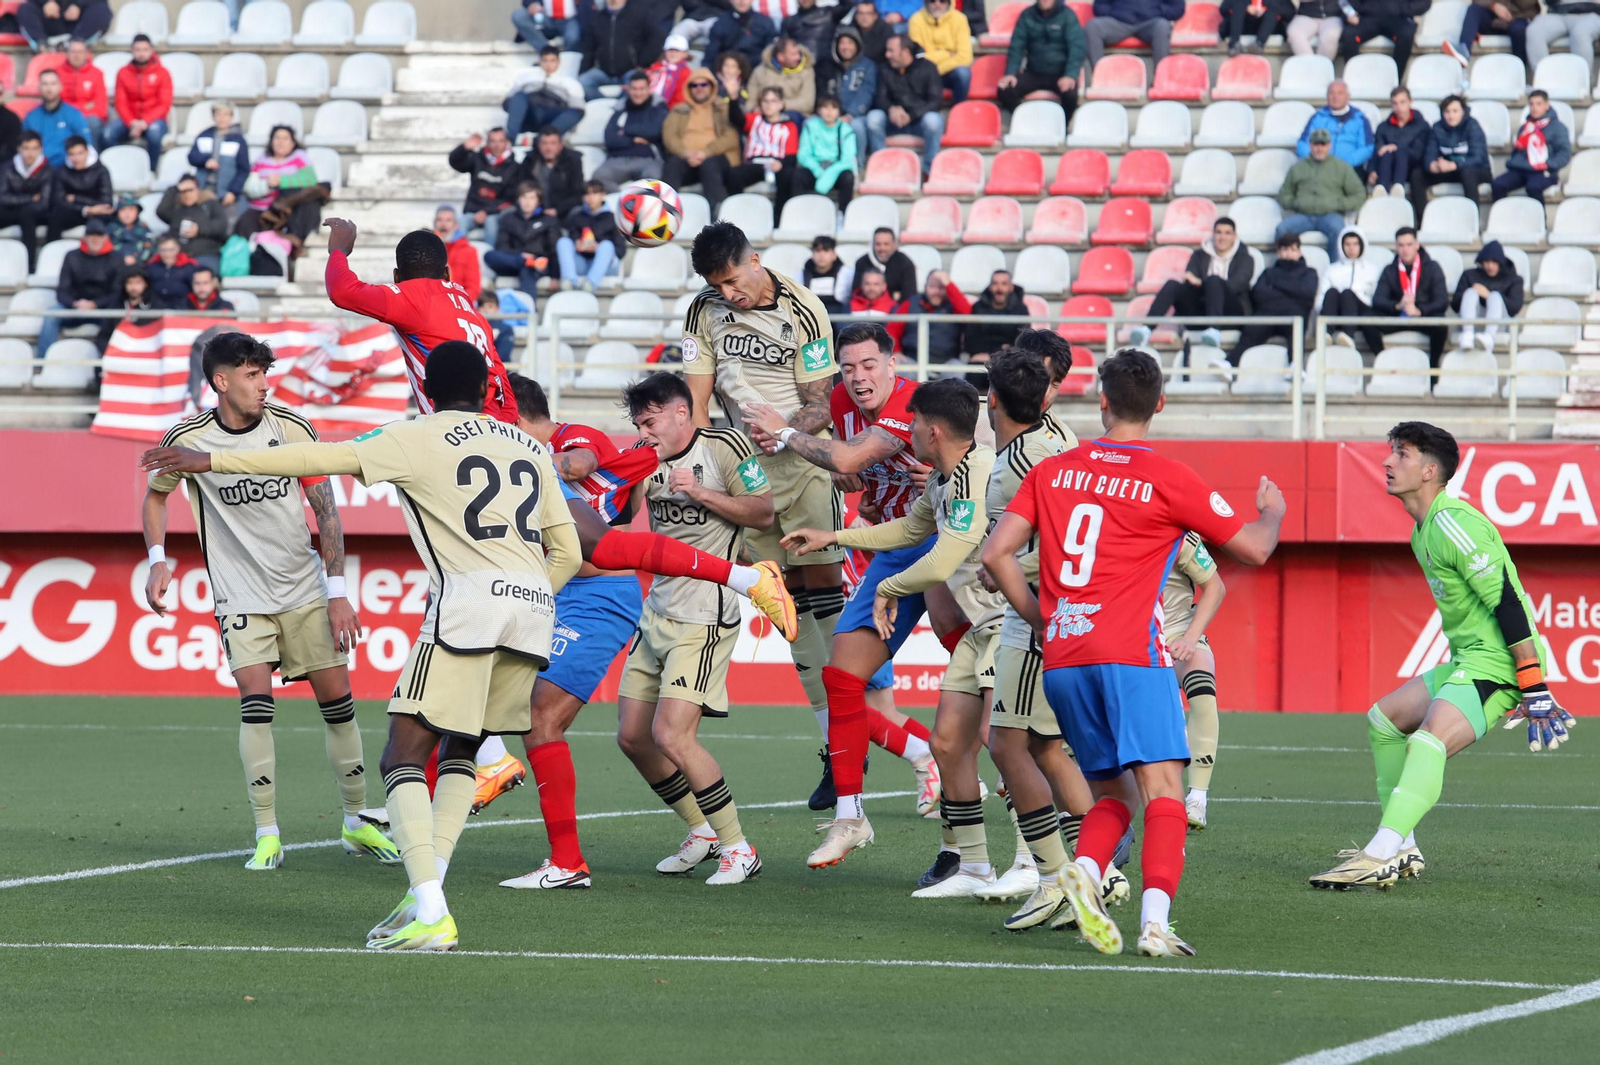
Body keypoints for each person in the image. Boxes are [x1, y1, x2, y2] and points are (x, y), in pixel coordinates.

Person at [320, 216, 799, 804]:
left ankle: (748, 578)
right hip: (505, 449)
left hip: (474, 452)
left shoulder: (415, 297)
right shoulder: (463, 301)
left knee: (503, 577)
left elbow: (342, 291)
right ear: (449, 271)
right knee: (495, 576)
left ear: (402, 276)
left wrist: (340, 246)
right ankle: (490, 756)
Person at [140, 339, 579, 950]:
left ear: (425, 388)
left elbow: (315, 458)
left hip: (468, 607)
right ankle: (427, 896)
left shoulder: (414, 435)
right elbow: (572, 551)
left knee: (401, 754)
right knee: (462, 750)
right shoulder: (530, 445)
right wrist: (525, 592)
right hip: (532, 609)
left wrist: (211, 464)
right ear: (486, 391)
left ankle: (430, 910)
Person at [984, 347, 1285, 957]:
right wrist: (1273, 513)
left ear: (1101, 401)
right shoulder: (1168, 475)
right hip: (1132, 656)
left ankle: (1086, 872)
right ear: (1160, 405)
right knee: (1165, 791)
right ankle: (1154, 922)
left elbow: (995, 556)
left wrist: (1043, 620)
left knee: (1113, 796)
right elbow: (1252, 549)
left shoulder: (1054, 470)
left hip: (1066, 657)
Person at [135, 332, 400, 879]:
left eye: (264, 372)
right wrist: (158, 558)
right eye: (252, 374)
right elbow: (156, 495)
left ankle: (356, 820)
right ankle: (266, 832)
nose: (264, 383)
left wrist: (338, 593)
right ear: (222, 381)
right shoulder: (186, 438)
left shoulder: (292, 428)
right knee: (256, 704)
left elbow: (326, 512)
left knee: (339, 706)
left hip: (304, 591)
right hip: (240, 594)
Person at [1310, 422, 1569, 890]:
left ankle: (1380, 851)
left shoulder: (1453, 522)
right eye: (1391, 453)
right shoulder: (1422, 532)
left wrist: (1533, 685)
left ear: (1430, 471)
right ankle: (1402, 847)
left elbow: (1507, 601)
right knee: (1383, 720)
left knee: (1428, 741)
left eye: (1402, 455)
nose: (1387, 462)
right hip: (1471, 657)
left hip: (1500, 664)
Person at [779, 377, 995, 869]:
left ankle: (1046, 861)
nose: (906, 432)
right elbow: (910, 529)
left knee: (1006, 742)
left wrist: (889, 590)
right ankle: (856, 818)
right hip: (933, 581)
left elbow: (940, 562)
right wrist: (832, 535)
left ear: (932, 430)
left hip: (1003, 620)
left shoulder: (978, 471)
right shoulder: (942, 477)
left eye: (913, 424)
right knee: (845, 680)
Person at [492, 372, 695, 884]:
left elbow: (581, 462)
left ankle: (567, 863)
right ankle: (711, 831)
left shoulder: (572, 437)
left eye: (498, 421)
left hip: (598, 595)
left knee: (542, 720)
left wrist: (531, 461)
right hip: (551, 592)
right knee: (491, 693)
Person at [684, 221, 847, 769]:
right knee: (786, 608)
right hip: (747, 477)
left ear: (755, 260)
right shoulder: (703, 310)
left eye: (733, 280)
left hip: (803, 466)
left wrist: (783, 429)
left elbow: (821, 403)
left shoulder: (804, 309)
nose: (729, 293)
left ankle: (857, 722)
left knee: (824, 596)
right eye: (718, 284)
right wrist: (711, 462)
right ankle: (835, 745)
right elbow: (697, 402)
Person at [611, 372, 775, 886]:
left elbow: (765, 513)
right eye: (639, 423)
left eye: (652, 420)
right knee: (634, 738)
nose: (646, 430)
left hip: (705, 612)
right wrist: (626, 474)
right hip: (656, 608)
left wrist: (701, 493)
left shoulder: (725, 446)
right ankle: (701, 831)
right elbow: (623, 517)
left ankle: (738, 848)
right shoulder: (647, 456)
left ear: (681, 412)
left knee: (672, 734)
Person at [1162, 528, 1225, 831]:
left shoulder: (1179, 536)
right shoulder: (1109, 528)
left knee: (1202, 685)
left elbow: (1216, 587)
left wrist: (1189, 638)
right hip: (1130, 642)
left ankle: (1197, 798)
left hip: (1177, 633)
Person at [1132, 216, 1252, 351]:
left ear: (1234, 236)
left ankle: (1214, 331)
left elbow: (1236, 286)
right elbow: (1189, 279)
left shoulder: (1245, 258)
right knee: (1173, 285)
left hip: (1231, 314)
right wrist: (1201, 283)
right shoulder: (1199, 255)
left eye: (1227, 233)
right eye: (1218, 232)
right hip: (1201, 311)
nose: (1222, 237)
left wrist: (1203, 282)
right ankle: (1146, 329)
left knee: (1214, 280)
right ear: (1213, 234)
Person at [235, 126, 324, 268]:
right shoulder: (262, 159)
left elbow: (310, 179)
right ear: (271, 141)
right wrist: (267, 186)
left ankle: (295, 244)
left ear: (293, 142)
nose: (280, 142)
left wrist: (281, 181)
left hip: (288, 207)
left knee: (310, 205)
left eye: (285, 138)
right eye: (277, 138)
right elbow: (249, 187)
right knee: (244, 223)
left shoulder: (299, 157)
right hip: (261, 207)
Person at [1228, 233, 1318, 365]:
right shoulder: (1268, 272)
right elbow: (1258, 294)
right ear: (1278, 252)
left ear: (1300, 252)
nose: (1288, 254)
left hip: (1294, 314)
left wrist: (1276, 284)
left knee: (1297, 329)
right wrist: (1292, 292)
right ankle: (1230, 364)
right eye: (1285, 249)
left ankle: (1296, 366)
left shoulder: (1309, 272)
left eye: (1293, 249)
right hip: (1267, 314)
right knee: (1251, 331)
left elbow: (1307, 292)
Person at [1277, 128, 1364, 259]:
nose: (1319, 148)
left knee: (1337, 230)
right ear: (1310, 145)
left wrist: (1339, 204)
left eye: (1323, 144)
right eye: (1316, 144)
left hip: (1330, 215)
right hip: (1304, 216)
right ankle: (1284, 268)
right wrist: (1296, 203)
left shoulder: (1341, 167)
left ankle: (1334, 269)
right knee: (1282, 229)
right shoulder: (1298, 168)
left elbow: (1359, 194)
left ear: (1329, 145)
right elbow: (1284, 195)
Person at [866, 35, 945, 179]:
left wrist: (912, 114)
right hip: (893, 121)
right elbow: (879, 98)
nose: (887, 55)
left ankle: (929, 171)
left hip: (918, 122)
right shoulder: (884, 68)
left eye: (891, 51)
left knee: (934, 120)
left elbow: (936, 101)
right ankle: (882, 166)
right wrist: (891, 108)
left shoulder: (928, 67)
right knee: (873, 118)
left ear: (905, 51)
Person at [663, 69, 741, 213]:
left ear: (712, 86)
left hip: (716, 159)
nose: (699, 89)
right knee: (673, 163)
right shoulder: (678, 110)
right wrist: (686, 153)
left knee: (710, 164)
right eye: (694, 85)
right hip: (686, 159)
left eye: (703, 85)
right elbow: (669, 136)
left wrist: (705, 153)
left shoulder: (723, 107)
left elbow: (731, 137)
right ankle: (665, 211)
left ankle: (719, 212)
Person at [38, 216, 118, 353]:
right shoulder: (72, 256)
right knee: (51, 314)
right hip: (75, 307)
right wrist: (75, 303)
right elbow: (62, 290)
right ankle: (41, 364)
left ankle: (107, 365)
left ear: (106, 237)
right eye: (91, 235)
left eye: (99, 235)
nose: (95, 239)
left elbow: (117, 291)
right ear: (85, 237)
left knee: (118, 317)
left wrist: (95, 304)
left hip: (103, 308)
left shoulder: (116, 258)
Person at [1373, 227, 1449, 364]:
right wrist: (1397, 306)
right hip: (1398, 317)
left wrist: (1420, 310)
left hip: (1422, 317)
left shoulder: (1432, 267)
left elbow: (1442, 300)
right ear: (1396, 247)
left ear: (1417, 245)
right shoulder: (1390, 269)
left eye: (1409, 245)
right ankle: (1382, 361)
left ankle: (1433, 368)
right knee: (1368, 319)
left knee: (1441, 323)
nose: (1405, 249)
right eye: (1401, 245)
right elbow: (1378, 300)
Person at [999, 0, 1086, 119]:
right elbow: (1016, 47)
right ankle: (1027, 122)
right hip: (1033, 73)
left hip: (1060, 74)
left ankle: (1061, 127)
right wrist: (1010, 73)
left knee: (1070, 93)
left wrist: (1070, 75)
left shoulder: (1068, 16)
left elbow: (1077, 48)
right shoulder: (1027, 15)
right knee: (1005, 89)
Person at [727, 86, 803, 211]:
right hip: (756, 164)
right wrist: (733, 98)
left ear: (781, 104)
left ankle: (779, 219)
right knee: (734, 174)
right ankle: (737, 214)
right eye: (765, 101)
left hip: (777, 164)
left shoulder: (790, 126)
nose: (769, 105)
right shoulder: (755, 119)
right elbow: (736, 119)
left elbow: (791, 155)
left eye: (773, 101)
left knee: (788, 176)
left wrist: (780, 163)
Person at [105, 34, 171, 170]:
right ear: (132, 50)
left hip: (154, 120)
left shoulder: (162, 73)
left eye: (145, 49)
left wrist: (144, 123)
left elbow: (164, 104)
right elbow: (120, 102)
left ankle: (151, 170)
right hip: (129, 120)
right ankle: (115, 168)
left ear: (151, 50)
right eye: (138, 50)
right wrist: (132, 122)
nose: (141, 53)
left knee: (154, 134)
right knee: (107, 134)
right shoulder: (123, 73)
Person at [594, 70, 667, 191]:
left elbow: (655, 131)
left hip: (648, 159)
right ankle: (623, 202)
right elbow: (610, 138)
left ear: (649, 89)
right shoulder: (621, 109)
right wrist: (634, 140)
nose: (638, 93)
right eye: (634, 89)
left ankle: (641, 207)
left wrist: (625, 130)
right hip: (619, 159)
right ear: (628, 89)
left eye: (642, 89)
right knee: (598, 178)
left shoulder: (658, 108)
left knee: (653, 179)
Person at [578, 0, 666, 100]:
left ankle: (620, 107)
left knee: (636, 87)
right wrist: (584, 70)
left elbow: (656, 38)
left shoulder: (639, 14)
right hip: (604, 72)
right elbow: (589, 48)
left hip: (631, 71)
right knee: (583, 81)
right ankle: (606, 105)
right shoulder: (597, 18)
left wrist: (643, 64)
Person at [1494, 89, 1570, 203]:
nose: (1534, 107)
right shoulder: (1525, 127)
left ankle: (1539, 219)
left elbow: (1564, 153)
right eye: (1531, 104)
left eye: (1538, 104)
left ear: (1546, 105)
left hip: (1544, 170)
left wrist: (1548, 165)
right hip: (1521, 168)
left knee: (1533, 187)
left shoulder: (1558, 127)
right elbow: (1516, 150)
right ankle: (1503, 217)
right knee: (1497, 185)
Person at [448, 127, 519, 248]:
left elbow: (511, 198)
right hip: (472, 211)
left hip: (495, 213)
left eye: (500, 141)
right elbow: (455, 163)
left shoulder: (514, 167)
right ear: (487, 142)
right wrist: (464, 148)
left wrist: (486, 212)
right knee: (460, 223)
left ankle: (489, 260)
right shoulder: (477, 158)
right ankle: (455, 259)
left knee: (492, 224)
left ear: (507, 142)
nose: (497, 145)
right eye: (493, 141)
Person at [485, 183, 559, 300]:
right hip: (512, 261)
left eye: (531, 198)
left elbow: (553, 249)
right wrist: (521, 257)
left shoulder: (548, 220)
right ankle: (524, 261)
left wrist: (556, 276)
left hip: (538, 264)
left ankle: (530, 312)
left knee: (527, 270)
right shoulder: (508, 218)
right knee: (489, 255)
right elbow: (502, 247)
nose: (527, 202)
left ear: (538, 201)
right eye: (524, 197)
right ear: (518, 199)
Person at [1451, 240, 1524, 353]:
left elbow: (1515, 307)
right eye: (1487, 261)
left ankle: (1489, 337)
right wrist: (1471, 292)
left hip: (1499, 324)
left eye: (1494, 262)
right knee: (1470, 293)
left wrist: (1488, 295)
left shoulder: (1513, 279)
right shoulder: (1469, 275)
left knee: (1495, 296)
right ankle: (1468, 334)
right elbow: (1455, 304)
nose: (1490, 266)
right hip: (1473, 320)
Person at [1318, 227, 1384, 353]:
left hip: (1361, 313)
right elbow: (1321, 296)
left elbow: (1376, 297)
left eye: (1355, 244)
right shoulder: (1332, 269)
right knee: (1332, 292)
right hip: (1336, 313)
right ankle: (1326, 333)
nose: (1351, 248)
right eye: (1347, 244)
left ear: (1362, 245)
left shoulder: (1372, 270)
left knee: (1348, 294)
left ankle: (1348, 334)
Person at [821, 28, 876, 165]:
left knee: (856, 126)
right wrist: (831, 113)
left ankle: (858, 165)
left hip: (857, 115)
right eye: (842, 43)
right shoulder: (827, 65)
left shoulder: (868, 66)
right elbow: (822, 91)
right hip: (830, 112)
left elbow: (867, 92)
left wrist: (851, 114)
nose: (846, 47)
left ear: (857, 45)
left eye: (850, 43)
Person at [893, 269, 969, 367]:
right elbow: (892, 330)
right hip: (912, 360)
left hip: (947, 362)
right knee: (899, 368)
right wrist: (896, 351)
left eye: (941, 287)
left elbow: (967, 314)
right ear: (925, 287)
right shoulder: (910, 303)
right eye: (932, 286)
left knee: (958, 371)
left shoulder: (954, 305)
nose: (936, 292)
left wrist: (949, 284)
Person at [557, 180, 624, 291]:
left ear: (603, 195)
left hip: (605, 266)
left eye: (595, 193)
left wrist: (598, 248)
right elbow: (572, 238)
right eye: (587, 194)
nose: (591, 197)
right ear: (583, 197)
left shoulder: (613, 218)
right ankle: (568, 281)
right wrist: (577, 244)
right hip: (583, 263)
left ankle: (591, 284)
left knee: (607, 245)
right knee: (563, 241)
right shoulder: (576, 216)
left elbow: (621, 251)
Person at [505, 46, 586, 137]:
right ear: (540, 61)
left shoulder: (570, 82)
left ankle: (546, 138)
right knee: (519, 97)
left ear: (559, 62)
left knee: (575, 111)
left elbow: (577, 110)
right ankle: (510, 139)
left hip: (553, 115)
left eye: (552, 61)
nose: (548, 64)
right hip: (529, 114)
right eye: (545, 60)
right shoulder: (526, 78)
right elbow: (508, 102)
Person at [1296, 80, 1374, 175]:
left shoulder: (1360, 119)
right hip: (1319, 168)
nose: (1335, 97)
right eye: (1331, 93)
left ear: (1347, 96)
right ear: (1327, 96)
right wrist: (1317, 159)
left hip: (1350, 169)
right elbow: (1302, 144)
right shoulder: (1317, 118)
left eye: (1340, 93)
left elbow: (1367, 148)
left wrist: (1344, 164)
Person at [1371, 86, 1429, 212]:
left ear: (1410, 102)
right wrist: (1372, 170)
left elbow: (1419, 153)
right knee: (1387, 153)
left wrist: (1397, 147)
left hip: (1412, 167)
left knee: (1399, 151)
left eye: (1402, 102)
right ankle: (1383, 188)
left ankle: (1397, 186)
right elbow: (1377, 150)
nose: (1399, 107)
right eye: (1395, 103)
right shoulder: (1383, 127)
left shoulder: (1422, 126)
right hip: (1386, 166)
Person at [796, 96, 858, 213]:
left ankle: (843, 215)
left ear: (839, 112)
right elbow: (803, 154)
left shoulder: (846, 130)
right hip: (815, 166)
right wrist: (818, 171)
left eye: (833, 108)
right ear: (819, 110)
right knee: (798, 176)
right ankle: (798, 212)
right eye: (825, 107)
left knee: (848, 177)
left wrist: (828, 175)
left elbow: (848, 159)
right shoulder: (810, 126)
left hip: (836, 168)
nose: (829, 112)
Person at [45, 134, 112, 242]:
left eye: (80, 153)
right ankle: (50, 252)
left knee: (106, 219)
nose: (76, 158)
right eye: (72, 154)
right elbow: (58, 201)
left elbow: (106, 203)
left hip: (97, 214)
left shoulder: (101, 171)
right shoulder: (61, 172)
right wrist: (86, 210)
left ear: (87, 152)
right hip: (76, 212)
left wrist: (76, 198)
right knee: (55, 216)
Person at [1424, 94, 1491, 202]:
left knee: (1468, 173)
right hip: (1449, 169)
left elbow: (1478, 157)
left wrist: (1454, 165)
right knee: (1418, 174)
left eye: (1455, 111)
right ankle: (1421, 216)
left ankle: (1473, 214)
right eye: (1447, 111)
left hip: (1477, 169)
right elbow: (1430, 152)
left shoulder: (1472, 125)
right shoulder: (1437, 127)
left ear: (1463, 111)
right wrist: (1432, 165)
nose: (1451, 116)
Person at [1458, 0, 1559, 70]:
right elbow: (1477, 1)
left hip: (1520, 19)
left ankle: (1519, 69)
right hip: (1495, 19)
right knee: (1473, 10)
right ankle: (1463, 51)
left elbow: (1527, 4)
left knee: (1519, 30)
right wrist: (1494, 5)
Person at [0, 131, 52, 268]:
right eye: (26, 148)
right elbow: (2, 197)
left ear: (40, 149)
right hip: (11, 211)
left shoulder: (47, 170)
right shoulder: (7, 168)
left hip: (33, 213)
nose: (30, 153)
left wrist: (26, 204)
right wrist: (29, 198)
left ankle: (30, 265)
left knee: (28, 217)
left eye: (34, 148)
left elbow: (44, 202)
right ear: (19, 149)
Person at [156, 174, 229, 271]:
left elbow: (221, 226)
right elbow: (161, 211)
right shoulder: (177, 210)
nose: (187, 195)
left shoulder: (210, 205)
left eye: (190, 190)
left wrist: (199, 229)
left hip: (206, 255)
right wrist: (175, 189)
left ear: (198, 190)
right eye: (183, 191)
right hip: (179, 257)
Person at [22, 70, 91, 168]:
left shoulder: (74, 114)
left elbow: (86, 145)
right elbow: (24, 148)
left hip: (68, 171)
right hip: (39, 172)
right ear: (39, 88)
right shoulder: (31, 117)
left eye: (53, 84)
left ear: (60, 87)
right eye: (45, 84)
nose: (49, 88)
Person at [910, 0, 974, 104]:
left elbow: (965, 57)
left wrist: (936, 68)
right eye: (932, 1)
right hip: (925, 74)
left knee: (963, 73)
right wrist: (947, 54)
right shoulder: (916, 19)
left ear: (949, 2)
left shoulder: (960, 19)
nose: (937, 5)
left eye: (942, 1)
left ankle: (958, 112)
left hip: (947, 72)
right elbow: (919, 57)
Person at [1084, 0, 1183, 67]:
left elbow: (1178, 8)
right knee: (1093, 26)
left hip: (1150, 23)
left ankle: (1160, 80)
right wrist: (1117, 12)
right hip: (1119, 22)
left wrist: (1156, 11)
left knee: (1162, 26)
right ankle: (1100, 78)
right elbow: (1099, 6)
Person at [187, 101, 249, 207]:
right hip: (204, 189)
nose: (222, 118)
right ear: (213, 116)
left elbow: (243, 169)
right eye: (218, 114)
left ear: (231, 117)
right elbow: (192, 156)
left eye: (226, 115)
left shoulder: (238, 140)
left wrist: (233, 191)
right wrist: (205, 161)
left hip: (225, 192)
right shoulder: (204, 135)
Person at [1340, 0, 1421, 77]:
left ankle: (1395, 80)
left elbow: (1423, 3)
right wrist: (1350, 14)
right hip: (1367, 18)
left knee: (1406, 35)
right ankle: (1355, 78)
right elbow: (1345, 2)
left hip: (1399, 19)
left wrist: (1403, 10)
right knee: (1349, 35)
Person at [964, 269, 1028, 366]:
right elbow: (969, 342)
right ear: (990, 287)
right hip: (980, 360)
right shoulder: (978, 308)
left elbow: (1022, 344)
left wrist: (993, 355)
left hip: (1009, 361)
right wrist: (1000, 348)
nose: (999, 289)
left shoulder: (1021, 310)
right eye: (995, 284)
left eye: (1004, 284)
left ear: (1011, 287)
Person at [526, 125, 588, 217]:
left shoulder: (573, 161)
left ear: (560, 145)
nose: (548, 148)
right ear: (539, 145)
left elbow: (577, 194)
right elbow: (522, 189)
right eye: (544, 143)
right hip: (534, 211)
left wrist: (557, 210)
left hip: (564, 212)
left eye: (553, 143)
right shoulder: (530, 161)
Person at [748, 35, 818, 116]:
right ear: (781, 57)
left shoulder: (807, 71)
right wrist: (755, 109)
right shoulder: (760, 71)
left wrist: (781, 105)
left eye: (798, 53)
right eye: (793, 54)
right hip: (763, 115)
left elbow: (808, 103)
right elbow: (750, 101)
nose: (798, 57)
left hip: (794, 117)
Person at [59, 38, 107, 148]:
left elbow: (100, 106)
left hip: (88, 118)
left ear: (86, 54)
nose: (76, 55)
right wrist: (84, 107)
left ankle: (93, 159)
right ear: (67, 54)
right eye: (73, 52)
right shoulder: (57, 73)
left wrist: (77, 115)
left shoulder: (97, 74)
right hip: (64, 116)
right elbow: (57, 103)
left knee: (92, 123)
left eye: (80, 52)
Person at [431, 205, 482, 303]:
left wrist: (457, 305)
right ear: (434, 224)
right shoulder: (426, 250)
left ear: (456, 225)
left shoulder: (469, 251)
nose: (443, 224)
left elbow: (473, 288)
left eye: (448, 220)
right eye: (439, 220)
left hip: (458, 305)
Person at [1529, 1, 1600, 71]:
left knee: (1580, 33)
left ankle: (1582, 79)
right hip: (1558, 13)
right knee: (1534, 31)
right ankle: (1545, 78)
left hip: (1592, 12)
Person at [17, 0, 112, 52]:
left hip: (79, 25)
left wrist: (78, 4)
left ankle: (73, 45)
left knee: (101, 9)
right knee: (26, 9)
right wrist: (46, 2)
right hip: (49, 21)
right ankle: (42, 45)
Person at [853, 226, 916, 304]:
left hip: (896, 312)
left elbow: (909, 297)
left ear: (894, 245)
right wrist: (893, 295)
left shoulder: (905, 264)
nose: (882, 248)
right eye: (878, 244)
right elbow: (856, 293)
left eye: (886, 244)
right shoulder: (862, 263)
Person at [708, 0, 779, 65]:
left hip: (757, 72)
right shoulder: (721, 23)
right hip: (727, 70)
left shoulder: (765, 23)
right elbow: (711, 56)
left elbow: (770, 54)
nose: (742, 1)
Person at [146, 235, 200, 309]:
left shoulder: (189, 267)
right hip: (156, 309)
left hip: (182, 309)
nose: (167, 254)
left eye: (171, 250)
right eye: (164, 250)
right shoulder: (151, 267)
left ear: (178, 249)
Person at [1219, 0, 1288, 55]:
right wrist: (1246, 8)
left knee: (1274, 7)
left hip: (1267, 26)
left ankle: (1259, 44)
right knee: (1239, 3)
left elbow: (1289, 13)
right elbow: (1224, 8)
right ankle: (1234, 44)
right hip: (1244, 24)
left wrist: (1265, 9)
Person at [646, 33, 695, 108]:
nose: (673, 54)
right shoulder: (656, 66)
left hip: (670, 110)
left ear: (685, 54)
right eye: (670, 50)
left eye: (677, 51)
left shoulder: (686, 73)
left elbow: (681, 97)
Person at [107, 193, 154, 268]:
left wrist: (137, 260)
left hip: (139, 267)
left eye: (131, 209)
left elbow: (151, 248)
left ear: (137, 211)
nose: (127, 214)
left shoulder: (143, 228)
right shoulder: (110, 228)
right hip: (114, 267)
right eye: (123, 210)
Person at [803, 234, 848, 312]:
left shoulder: (846, 274)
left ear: (834, 255)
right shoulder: (801, 275)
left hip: (838, 314)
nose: (821, 255)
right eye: (817, 251)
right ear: (812, 254)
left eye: (826, 250)